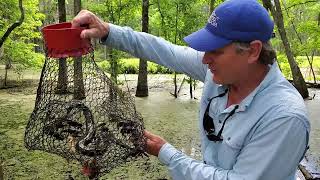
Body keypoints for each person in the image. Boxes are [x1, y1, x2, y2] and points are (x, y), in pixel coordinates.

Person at [72, 0, 310, 179]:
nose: (204, 60)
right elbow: (163, 50)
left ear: (253, 51)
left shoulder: (284, 117)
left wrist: (167, 153)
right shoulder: (222, 70)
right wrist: (107, 31)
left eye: (215, 50)